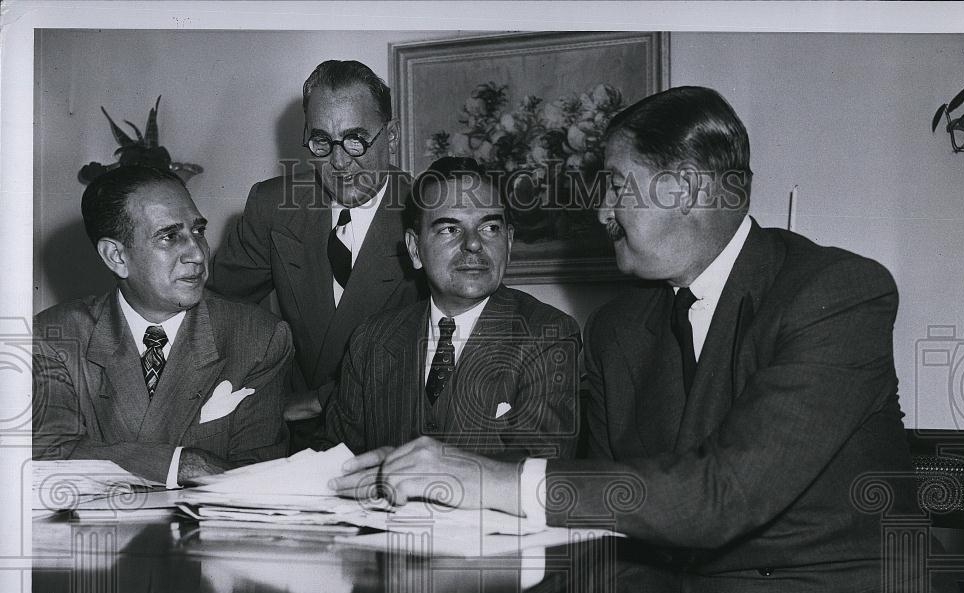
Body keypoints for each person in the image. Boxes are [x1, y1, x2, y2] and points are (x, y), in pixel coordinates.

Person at [335, 87, 964, 593]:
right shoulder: (617, 331)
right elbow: (617, 538)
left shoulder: (837, 294)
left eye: (614, 187)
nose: (600, 211)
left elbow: (723, 493)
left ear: (684, 190)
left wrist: (491, 478)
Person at [33, 165, 292, 485]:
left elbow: (259, 480)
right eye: (169, 236)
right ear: (116, 256)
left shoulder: (258, 337)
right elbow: (47, 456)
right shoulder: (54, 338)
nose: (197, 254)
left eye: (198, 230)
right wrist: (182, 464)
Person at [207, 60, 423, 445]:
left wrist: (318, 401)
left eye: (356, 139)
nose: (339, 163)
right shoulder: (272, 205)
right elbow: (216, 314)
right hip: (289, 440)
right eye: (322, 141)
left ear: (391, 137)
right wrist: (262, 393)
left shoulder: (428, 214)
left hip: (393, 435)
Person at [323, 156, 579, 460]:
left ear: (509, 243)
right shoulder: (371, 341)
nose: (473, 244)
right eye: (449, 229)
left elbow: (538, 477)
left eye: (490, 228)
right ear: (415, 249)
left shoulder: (548, 335)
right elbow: (336, 467)